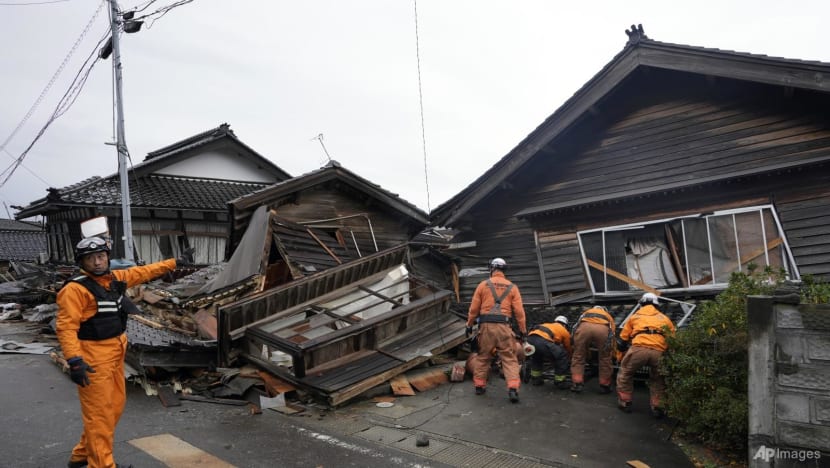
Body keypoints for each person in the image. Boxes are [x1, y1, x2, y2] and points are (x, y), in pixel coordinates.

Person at [57, 236, 193, 468]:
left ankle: (82, 455)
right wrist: (74, 360)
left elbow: (144, 272)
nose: (97, 262)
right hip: (93, 357)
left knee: (114, 407)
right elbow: (66, 327)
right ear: (82, 262)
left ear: (107, 257)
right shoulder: (75, 290)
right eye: (91, 259)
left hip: (115, 352)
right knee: (99, 414)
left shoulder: (115, 279)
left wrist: (173, 263)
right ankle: (101, 464)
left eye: (101, 257)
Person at [466, 257, 527, 403]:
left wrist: (468, 325)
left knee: (483, 357)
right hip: (505, 327)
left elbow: (473, 309)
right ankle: (513, 389)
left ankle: (479, 386)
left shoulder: (483, 285)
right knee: (509, 359)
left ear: (491, 269)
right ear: (504, 270)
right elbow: (519, 313)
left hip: (486, 327)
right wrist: (523, 332)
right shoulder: (512, 287)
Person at [616, 292, 676, 417]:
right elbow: (672, 341)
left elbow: (622, 340)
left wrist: (620, 354)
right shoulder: (665, 319)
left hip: (639, 349)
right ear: (656, 305)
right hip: (659, 352)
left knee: (625, 373)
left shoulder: (635, 316)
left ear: (642, 303)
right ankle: (658, 406)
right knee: (658, 379)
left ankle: (625, 402)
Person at [570, 305, 616, 394]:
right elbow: (612, 332)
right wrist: (611, 350)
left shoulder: (586, 312)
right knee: (605, 358)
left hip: (584, 328)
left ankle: (577, 383)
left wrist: (574, 342)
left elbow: (575, 326)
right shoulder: (607, 315)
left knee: (578, 356)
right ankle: (605, 385)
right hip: (602, 329)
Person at [526, 315, 572, 389]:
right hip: (542, 341)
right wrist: (570, 357)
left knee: (537, 356)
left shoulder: (547, 324)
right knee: (562, 355)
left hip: (530, 340)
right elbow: (567, 347)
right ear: (565, 325)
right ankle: (560, 381)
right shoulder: (564, 330)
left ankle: (536, 379)